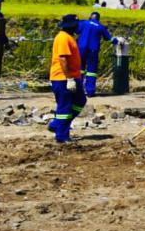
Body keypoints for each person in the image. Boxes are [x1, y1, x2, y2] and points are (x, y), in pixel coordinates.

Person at [48, 14, 86, 144]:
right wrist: (69, 78)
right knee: (64, 107)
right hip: (63, 78)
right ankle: (62, 136)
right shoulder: (63, 38)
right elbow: (62, 58)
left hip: (73, 76)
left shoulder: (69, 37)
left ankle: (56, 124)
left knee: (80, 101)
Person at [76, 12, 113, 97]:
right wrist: (117, 41)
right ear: (98, 19)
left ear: (90, 17)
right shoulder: (101, 27)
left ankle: (78, 91)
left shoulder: (84, 23)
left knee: (79, 69)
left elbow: (77, 30)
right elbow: (109, 38)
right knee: (91, 71)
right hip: (93, 50)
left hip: (81, 49)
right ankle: (90, 91)